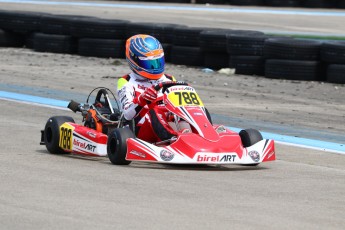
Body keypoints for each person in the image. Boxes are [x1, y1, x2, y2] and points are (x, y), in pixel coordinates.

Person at [117, 34, 189, 143]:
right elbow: (127, 114)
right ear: (134, 60)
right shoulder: (126, 81)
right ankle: (176, 141)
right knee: (154, 111)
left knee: (186, 109)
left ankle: (193, 136)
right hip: (140, 129)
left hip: (167, 122)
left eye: (157, 62)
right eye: (149, 63)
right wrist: (141, 100)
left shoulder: (169, 79)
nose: (155, 68)